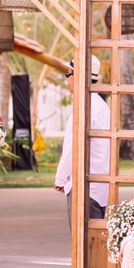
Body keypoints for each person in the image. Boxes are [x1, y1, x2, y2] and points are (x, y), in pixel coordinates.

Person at [55, 55, 110, 226]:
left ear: (77, 76)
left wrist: (60, 179)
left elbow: (73, 148)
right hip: (99, 187)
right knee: (93, 244)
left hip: (83, 187)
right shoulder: (101, 105)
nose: (66, 77)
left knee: (81, 246)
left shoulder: (84, 107)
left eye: (68, 73)